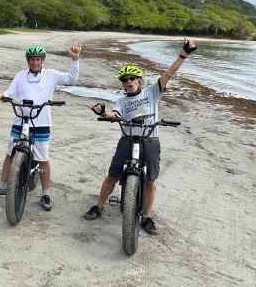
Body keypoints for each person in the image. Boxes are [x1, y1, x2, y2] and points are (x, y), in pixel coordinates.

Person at [83, 38, 197, 235]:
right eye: (125, 80)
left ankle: (147, 217)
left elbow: (169, 74)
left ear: (139, 81)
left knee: (150, 182)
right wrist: (102, 113)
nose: (129, 82)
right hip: (127, 139)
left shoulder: (152, 92)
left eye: (132, 79)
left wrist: (184, 54)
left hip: (150, 140)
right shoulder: (120, 101)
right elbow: (114, 114)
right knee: (112, 175)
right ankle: (99, 206)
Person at [0, 44, 82, 212]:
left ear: (42, 60)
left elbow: (71, 78)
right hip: (20, 120)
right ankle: (2, 186)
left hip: (41, 122)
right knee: (10, 154)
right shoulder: (20, 76)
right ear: (28, 61)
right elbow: (10, 91)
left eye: (38, 59)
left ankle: (45, 194)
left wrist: (75, 59)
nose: (35, 62)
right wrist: (2, 95)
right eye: (32, 59)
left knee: (43, 159)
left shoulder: (51, 75)